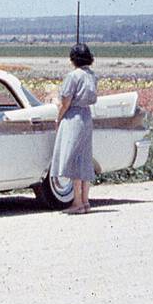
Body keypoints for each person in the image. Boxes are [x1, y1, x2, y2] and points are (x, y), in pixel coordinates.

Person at [51, 43, 97, 214]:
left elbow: (66, 103)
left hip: (73, 117)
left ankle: (77, 202)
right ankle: (85, 201)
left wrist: (58, 117)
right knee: (85, 159)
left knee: (73, 160)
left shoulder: (73, 76)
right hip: (86, 116)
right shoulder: (91, 75)